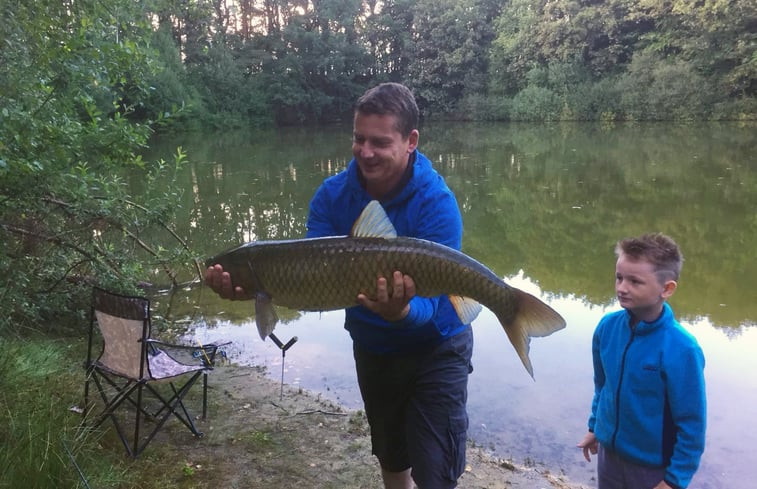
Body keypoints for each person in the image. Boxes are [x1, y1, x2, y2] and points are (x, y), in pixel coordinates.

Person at [205, 82, 473, 489]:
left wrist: (400, 311)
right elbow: (316, 286)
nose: (365, 152)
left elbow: (439, 310)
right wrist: (251, 290)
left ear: (411, 141)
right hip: (374, 346)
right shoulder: (331, 197)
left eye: (379, 142)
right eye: (358, 139)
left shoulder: (437, 204)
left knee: (436, 472)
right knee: (391, 453)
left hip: (437, 347)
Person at [576, 233, 706, 489]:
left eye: (635, 281)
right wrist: (595, 428)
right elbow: (603, 386)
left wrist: (674, 480)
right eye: (619, 277)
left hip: (652, 470)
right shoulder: (607, 328)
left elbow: (692, 424)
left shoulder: (682, 349)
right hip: (609, 458)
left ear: (666, 289)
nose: (622, 287)